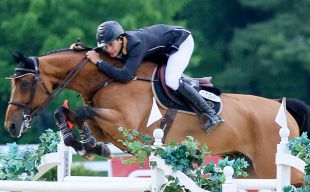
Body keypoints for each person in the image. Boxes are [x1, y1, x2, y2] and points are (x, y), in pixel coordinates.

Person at [85, 21, 223, 132]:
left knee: (171, 81)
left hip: (181, 42)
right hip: (164, 48)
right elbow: (99, 52)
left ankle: (211, 114)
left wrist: (99, 62)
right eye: (105, 46)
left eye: (111, 44)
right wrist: (82, 50)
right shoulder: (121, 43)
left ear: (121, 39)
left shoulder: (136, 44)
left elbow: (125, 76)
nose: (108, 50)